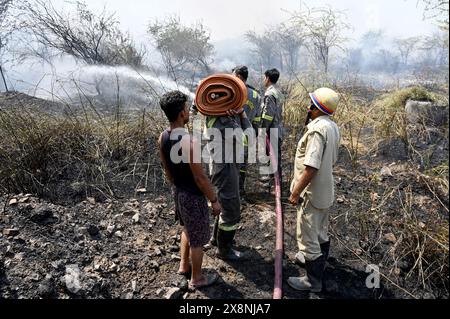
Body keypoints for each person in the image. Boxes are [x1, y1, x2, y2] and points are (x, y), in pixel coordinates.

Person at [158, 90, 220, 289]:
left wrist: (177, 188)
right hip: (193, 196)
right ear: (182, 114)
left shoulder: (163, 137)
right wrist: (214, 200)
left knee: (187, 228)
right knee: (198, 239)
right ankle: (197, 278)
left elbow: (168, 170)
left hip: (178, 191)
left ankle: (184, 266)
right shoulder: (189, 141)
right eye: (186, 108)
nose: (188, 111)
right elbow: (200, 177)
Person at [287, 87, 341, 292]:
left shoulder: (317, 130)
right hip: (325, 190)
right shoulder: (332, 126)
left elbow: (311, 167)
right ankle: (318, 262)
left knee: (308, 235)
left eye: (311, 105)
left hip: (311, 192)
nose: (308, 108)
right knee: (320, 231)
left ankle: (313, 281)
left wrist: (295, 192)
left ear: (317, 108)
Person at [204, 91, 252, 261]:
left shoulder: (213, 115)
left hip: (220, 166)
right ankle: (225, 250)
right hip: (225, 169)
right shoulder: (225, 123)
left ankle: (216, 240)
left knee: (224, 203)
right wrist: (242, 115)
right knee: (231, 209)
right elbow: (249, 137)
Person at [231, 65, 261, 196]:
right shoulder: (256, 95)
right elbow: (258, 118)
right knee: (242, 162)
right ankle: (240, 189)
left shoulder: (233, 91)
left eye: (232, 75)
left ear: (237, 76)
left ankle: (231, 189)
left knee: (230, 162)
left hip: (231, 134)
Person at [260, 68, 284, 191]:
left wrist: (263, 129)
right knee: (274, 156)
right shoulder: (278, 92)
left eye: (264, 77)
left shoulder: (270, 94)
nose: (263, 80)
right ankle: (273, 181)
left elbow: (268, 115)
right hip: (278, 128)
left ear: (268, 78)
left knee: (273, 157)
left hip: (272, 130)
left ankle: (276, 185)